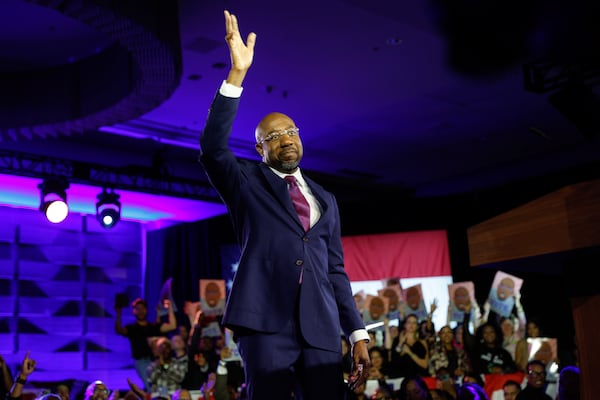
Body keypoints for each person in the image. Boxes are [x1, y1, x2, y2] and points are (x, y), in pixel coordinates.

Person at [197, 10, 370, 400]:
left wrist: (356, 332)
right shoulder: (245, 182)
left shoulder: (324, 198)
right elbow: (211, 149)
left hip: (322, 328)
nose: (286, 139)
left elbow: (335, 271)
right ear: (260, 149)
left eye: (291, 131)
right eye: (274, 136)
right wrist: (237, 75)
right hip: (265, 323)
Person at [115, 298, 177, 391]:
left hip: (157, 361)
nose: (140, 311)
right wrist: (119, 313)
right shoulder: (132, 328)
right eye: (137, 309)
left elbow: (172, 326)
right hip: (142, 362)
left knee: (163, 385)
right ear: (133, 311)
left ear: (146, 310)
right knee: (152, 387)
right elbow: (119, 330)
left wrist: (170, 307)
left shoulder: (153, 327)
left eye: (142, 308)